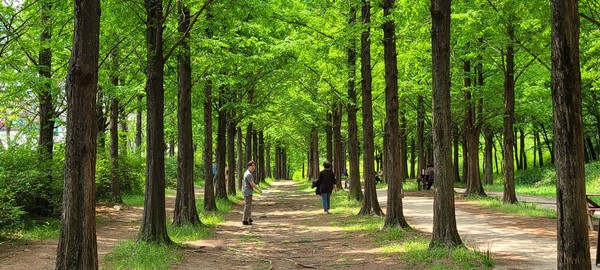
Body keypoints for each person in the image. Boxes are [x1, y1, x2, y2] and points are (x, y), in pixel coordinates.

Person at [242, 160, 262, 225]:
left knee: (249, 205)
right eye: (251, 166)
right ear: (248, 166)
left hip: (247, 191)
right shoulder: (248, 174)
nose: (253, 167)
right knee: (247, 206)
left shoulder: (247, 173)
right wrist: (259, 189)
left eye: (254, 166)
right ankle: (244, 220)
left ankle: (250, 218)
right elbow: (252, 184)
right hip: (247, 192)